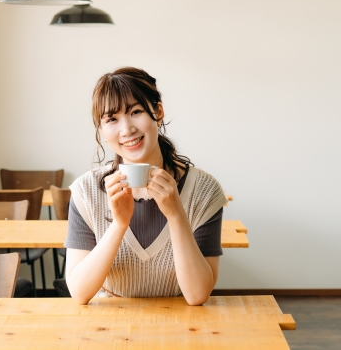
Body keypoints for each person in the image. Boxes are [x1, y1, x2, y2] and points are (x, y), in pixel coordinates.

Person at [64, 67, 227, 305]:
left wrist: (176, 214)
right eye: (112, 119)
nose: (127, 129)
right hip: (108, 328)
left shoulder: (204, 190)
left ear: (158, 111)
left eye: (136, 111)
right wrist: (120, 224)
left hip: (183, 327)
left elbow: (197, 295)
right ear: (102, 129)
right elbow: (79, 293)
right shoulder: (86, 191)